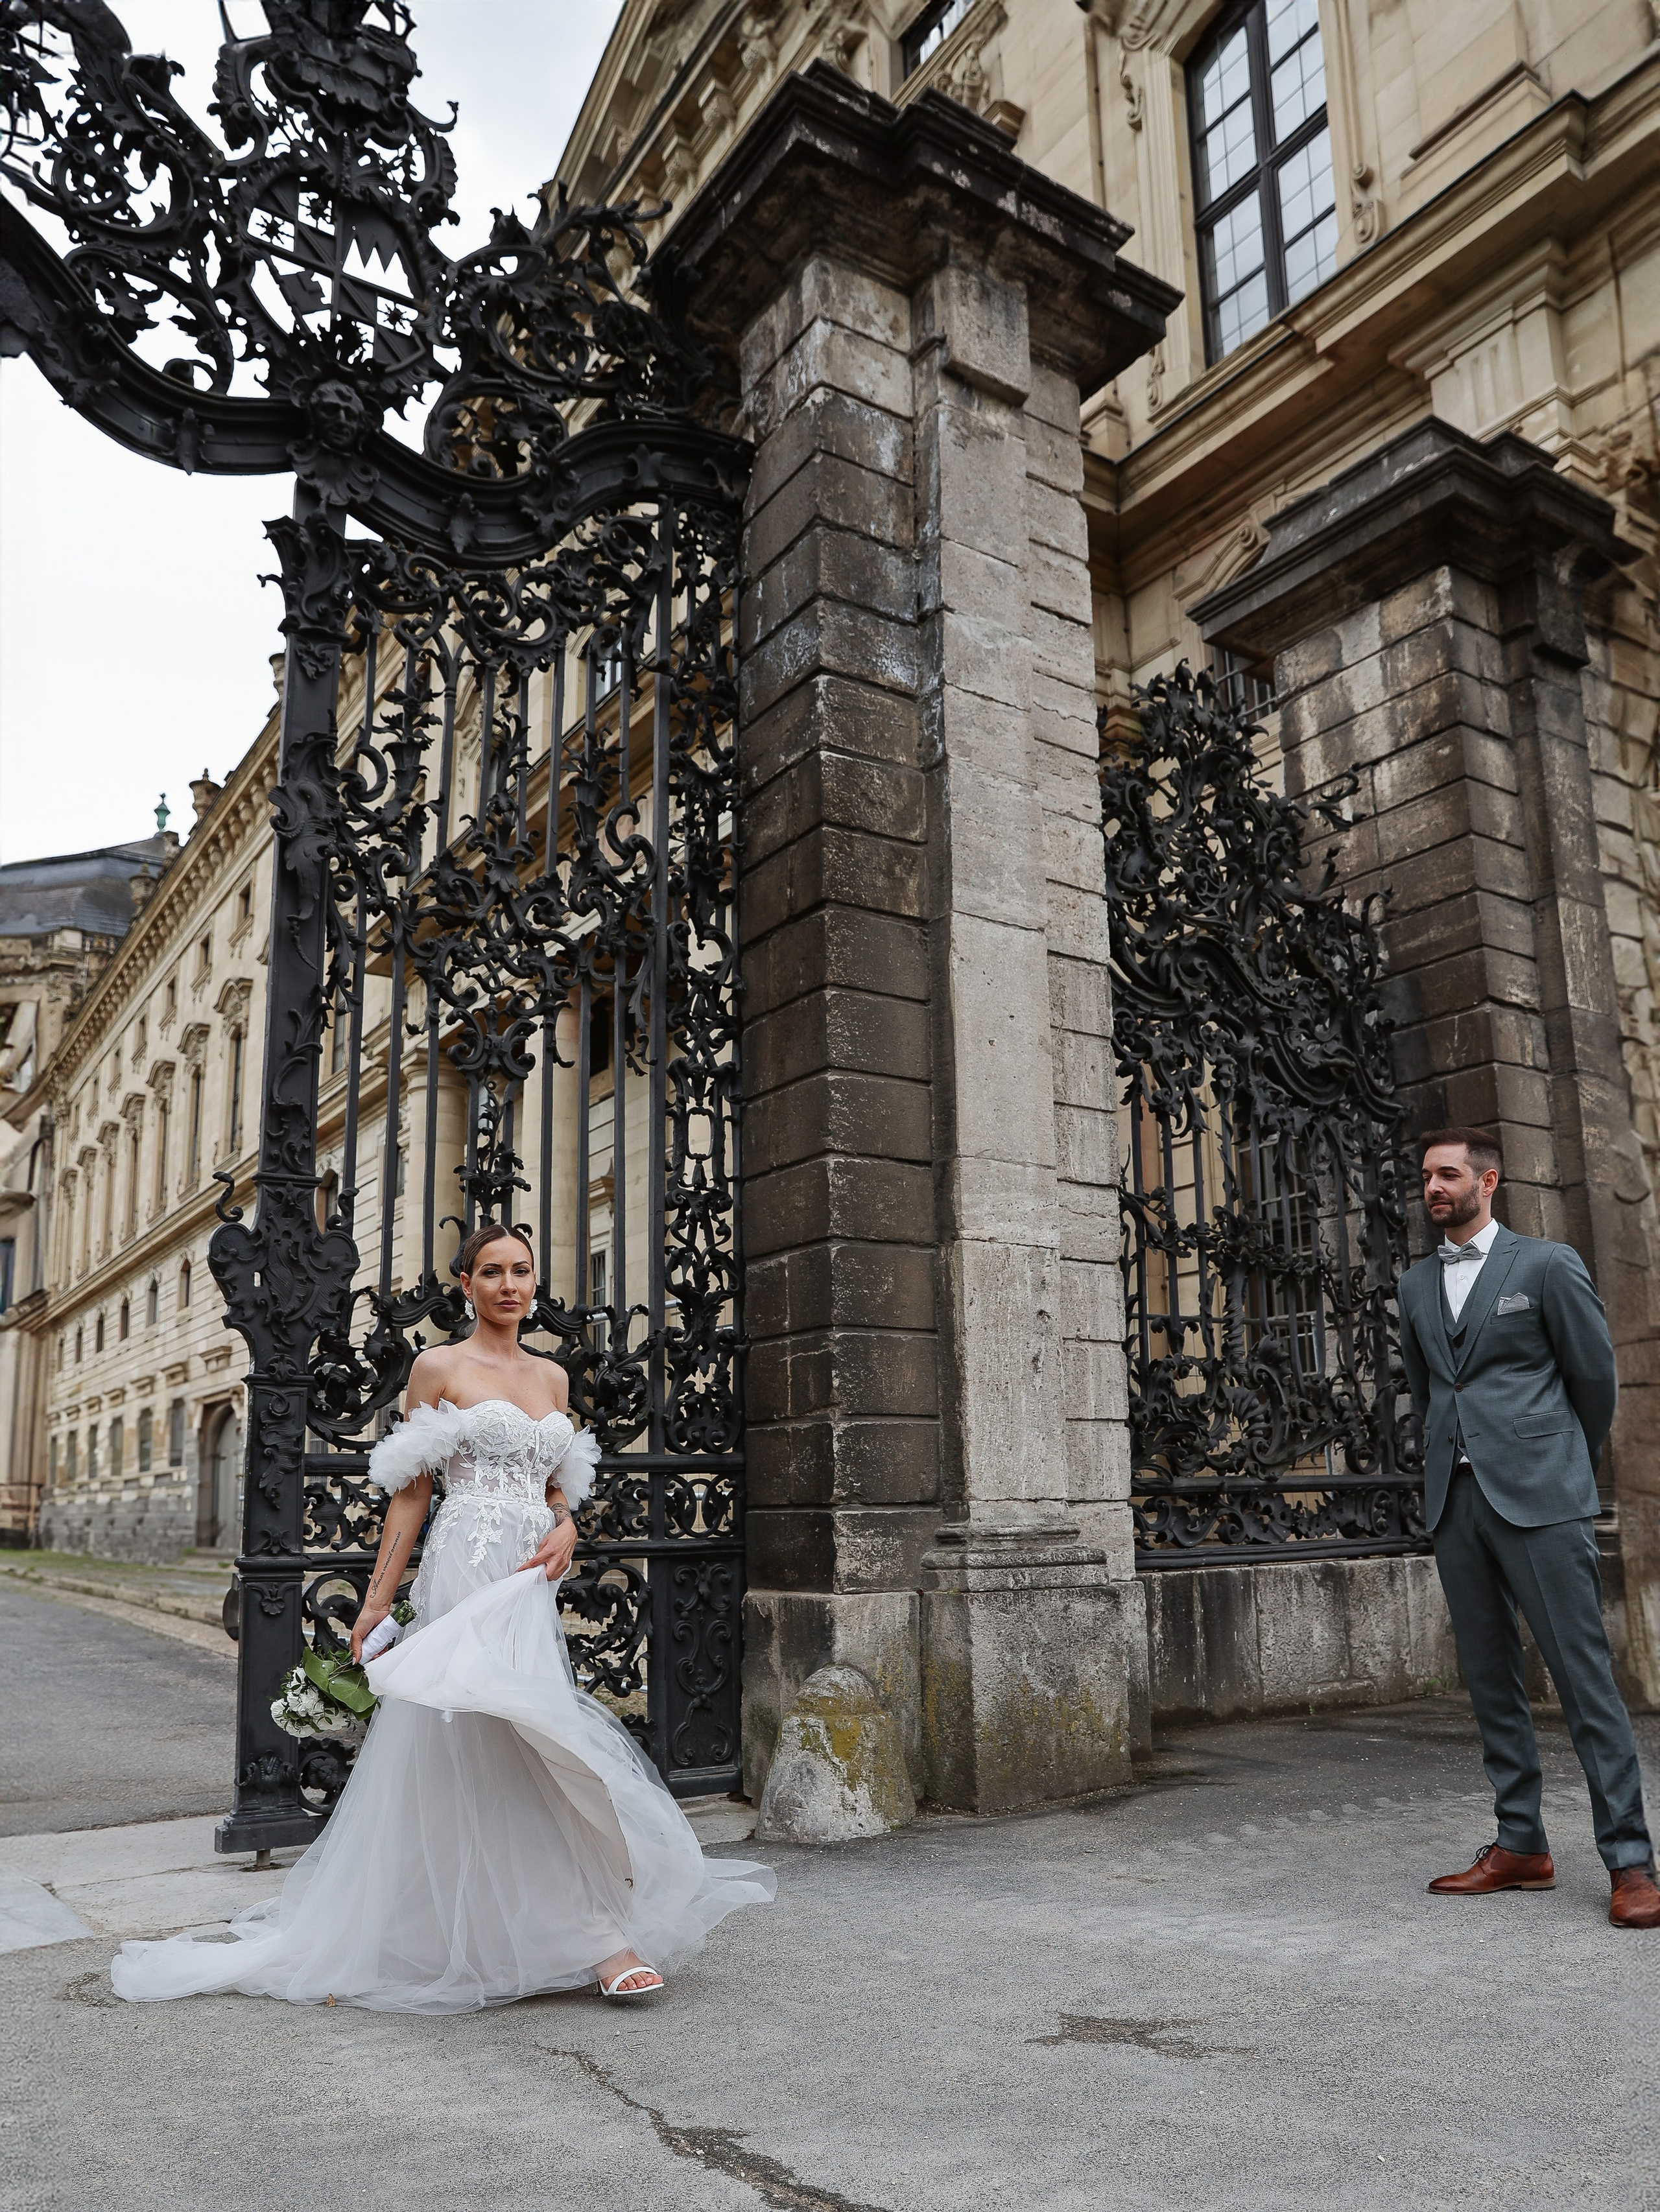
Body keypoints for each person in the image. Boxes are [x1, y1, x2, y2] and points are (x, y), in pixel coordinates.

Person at [112, 1219, 774, 2009]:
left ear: (534, 1281)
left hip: (527, 1581)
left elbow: (555, 1481)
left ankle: (555, 1925)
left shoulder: (553, 1376)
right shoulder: (437, 1366)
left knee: (536, 1741)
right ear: (466, 1284)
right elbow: (412, 1494)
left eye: (520, 1270)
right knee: (494, 1741)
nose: (508, 1285)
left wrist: (567, 1522)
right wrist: (376, 1601)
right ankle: (598, 1939)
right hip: (464, 1568)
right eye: (491, 1271)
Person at [1399, 1128, 1658, 1930]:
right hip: (1455, 1503)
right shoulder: (1413, 1283)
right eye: (1426, 1176)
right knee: (1489, 1679)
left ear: (1487, 1181)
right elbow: (1428, 1391)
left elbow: (1593, 1380)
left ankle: (1630, 1861)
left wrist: (1555, 1463)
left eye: (1447, 1174)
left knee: (1582, 1679)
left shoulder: (1546, 1264)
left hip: (1542, 1499)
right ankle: (1520, 1844)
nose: (1433, 1186)